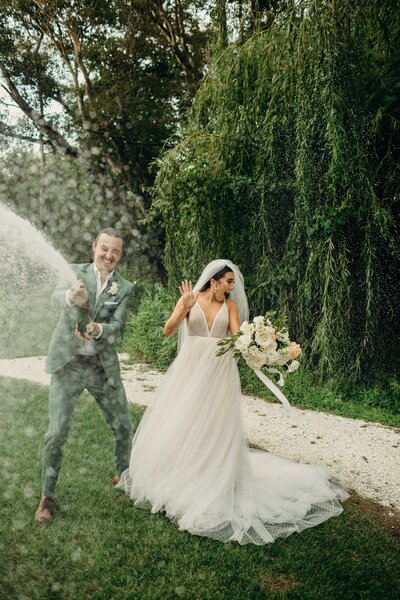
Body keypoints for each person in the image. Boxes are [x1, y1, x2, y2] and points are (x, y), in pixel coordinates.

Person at [117, 259, 348, 545]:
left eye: (232, 283)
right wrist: (184, 306)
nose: (232, 287)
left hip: (220, 373)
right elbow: (168, 330)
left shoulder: (230, 306)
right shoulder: (192, 298)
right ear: (213, 281)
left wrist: (268, 349)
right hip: (191, 370)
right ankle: (182, 474)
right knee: (184, 421)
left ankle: (215, 476)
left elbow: (239, 337)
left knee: (216, 426)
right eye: (228, 282)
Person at [34, 228, 135, 524]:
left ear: (120, 255)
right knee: (56, 432)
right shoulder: (72, 272)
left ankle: (122, 477)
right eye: (104, 248)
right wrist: (69, 296)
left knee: (124, 426)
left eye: (115, 251)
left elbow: (119, 326)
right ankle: (47, 498)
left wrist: (99, 330)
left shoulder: (125, 288)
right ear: (94, 247)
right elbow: (54, 300)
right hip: (68, 365)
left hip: (102, 367)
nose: (108, 255)